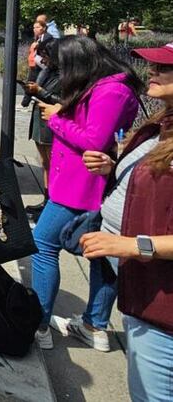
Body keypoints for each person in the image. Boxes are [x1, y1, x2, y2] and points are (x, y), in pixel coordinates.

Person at [32, 36, 142, 351]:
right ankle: (94, 324)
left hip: (80, 186)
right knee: (100, 254)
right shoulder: (109, 87)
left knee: (43, 244)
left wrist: (56, 119)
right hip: (79, 183)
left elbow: (94, 140)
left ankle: (40, 323)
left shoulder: (112, 91)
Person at [79, 42, 173, 402]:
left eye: (164, 68)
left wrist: (133, 245)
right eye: (152, 64)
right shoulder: (158, 124)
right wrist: (116, 169)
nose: (152, 71)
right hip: (139, 285)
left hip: (161, 300)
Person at [23, 37, 61, 217]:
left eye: (45, 55)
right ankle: (46, 200)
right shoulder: (48, 72)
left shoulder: (65, 75)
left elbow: (64, 101)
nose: (42, 60)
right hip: (40, 118)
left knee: (53, 164)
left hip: (51, 122)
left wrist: (40, 91)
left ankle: (52, 202)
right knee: (45, 163)